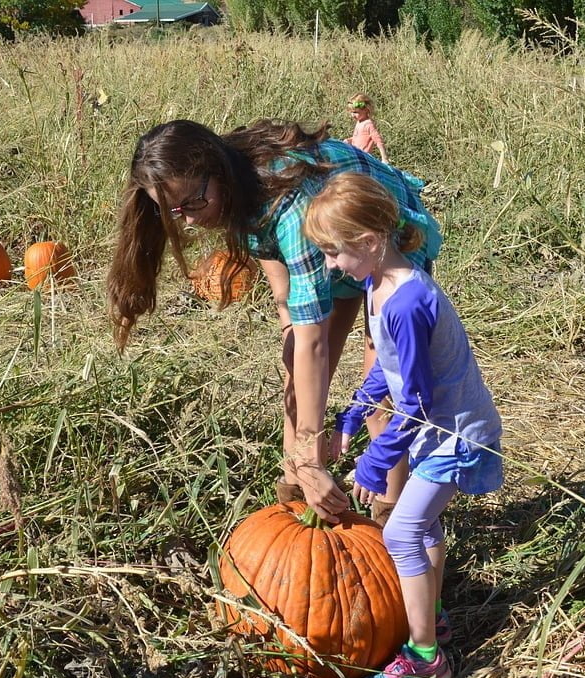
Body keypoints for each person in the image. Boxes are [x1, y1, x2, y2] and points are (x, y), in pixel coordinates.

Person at [106, 118, 442, 523]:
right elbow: (287, 300)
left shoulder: (289, 203)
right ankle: (294, 499)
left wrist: (311, 450)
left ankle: (391, 516)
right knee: (295, 371)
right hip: (326, 250)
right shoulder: (235, 192)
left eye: (193, 203)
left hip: (383, 242)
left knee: (381, 399)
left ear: (218, 172)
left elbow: (314, 342)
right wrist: (301, 457)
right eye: (175, 211)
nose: (189, 220)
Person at [304, 172, 503, 678]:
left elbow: (414, 401)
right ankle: (430, 619)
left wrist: (377, 458)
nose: (331, 266)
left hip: (453, 432)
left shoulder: (408, 301)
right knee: (423, 525)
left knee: (400, 533)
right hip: (434, 429)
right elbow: (389, 371)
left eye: (334, 253)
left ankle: (424, 659)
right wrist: (355, 412)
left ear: (369, 242)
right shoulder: (378, 283)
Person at [344, 93, 390, 165]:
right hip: (355, 154)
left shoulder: (368, 124)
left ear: (366, 110)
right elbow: (360, 137)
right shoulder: (359, 122)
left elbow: (378, 141)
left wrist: (384, 158)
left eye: (356, 112)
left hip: (362, 157)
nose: (352, 115)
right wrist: (350, 140)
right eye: (351, 112)